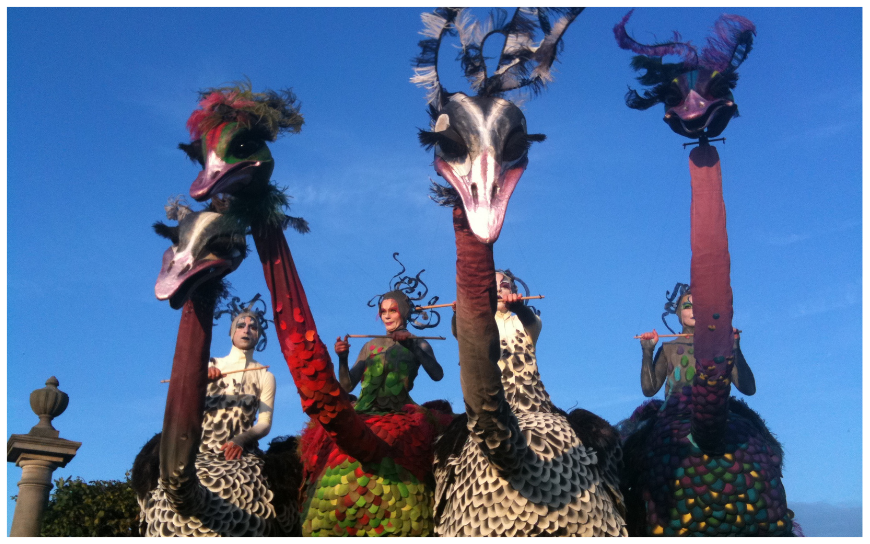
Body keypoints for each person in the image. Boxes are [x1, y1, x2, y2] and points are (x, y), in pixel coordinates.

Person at [334, 290, 443, 413]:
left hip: (401, 412)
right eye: (383, 311)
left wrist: (413, 347)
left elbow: (437, 375)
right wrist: (343, 358)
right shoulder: (370, 345)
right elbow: (347, 387)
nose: (387, 316)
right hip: (364, 412)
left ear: (404, 311)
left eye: (393, 310)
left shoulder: (418, 342)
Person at [638, 286, 755, 399]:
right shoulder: (668, 348)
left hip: (715, 413)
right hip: (676, 412)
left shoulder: (720, 349)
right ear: (679, 312)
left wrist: (734, 346)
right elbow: (649, 390)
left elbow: (748, 388)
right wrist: (647, 350)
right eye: (688, 306)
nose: (694, 310)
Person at [203, 310, 276, 460]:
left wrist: (240, 440)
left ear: (259, 335)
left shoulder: (265, 375)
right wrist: (200, 380)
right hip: (202, 447)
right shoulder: (210, 365)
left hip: (242, 452)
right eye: (241, 325)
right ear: (231, 332)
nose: (246, 330)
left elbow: (264, 423)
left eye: (253, 327)